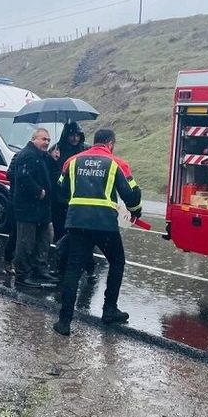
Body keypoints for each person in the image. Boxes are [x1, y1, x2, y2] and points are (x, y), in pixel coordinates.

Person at [53, 129, 142, 336]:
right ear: (110, 143)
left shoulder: (72, 161)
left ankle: (64, 321)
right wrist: (136, 212)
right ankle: (109, 309)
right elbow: (132, 195)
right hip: (105, 225)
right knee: (117, 262)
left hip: (77, 223)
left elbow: (61, 191)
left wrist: (78, 205)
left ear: (94, 143)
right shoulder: (116, 163)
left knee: (74, 269)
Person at [12, 128, 57, 288]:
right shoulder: (27, 155)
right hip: (28, 208)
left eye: (48, 140)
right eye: (43, 139)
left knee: (43, 240)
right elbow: (23, 177)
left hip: (41, 209)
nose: (46, 142)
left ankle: (40, 269)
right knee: (26, 243)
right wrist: (38, 191)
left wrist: (53, 158)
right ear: (34, 139)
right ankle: (22, 275)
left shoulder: (42, 156)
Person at [53, 122, 87, 241]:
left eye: (78, 135)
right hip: (60, 196)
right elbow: (50, 171)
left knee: (76, 232)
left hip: (78, 195)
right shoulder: (57, 149)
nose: (75, 138)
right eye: (72, 135)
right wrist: (53, 160)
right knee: (60, 229)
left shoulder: (84, 150)